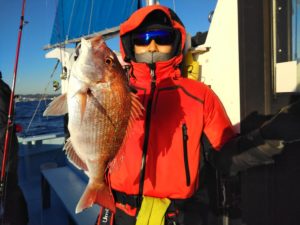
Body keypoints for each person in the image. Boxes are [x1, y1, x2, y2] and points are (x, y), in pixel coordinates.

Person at [96, 5, 300, 225]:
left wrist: (269, 136)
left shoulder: (199, 96)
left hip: (175, 217)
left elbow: (224, 154)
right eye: (143, 37)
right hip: (117, 213)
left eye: (161, 37)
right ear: (130, 43)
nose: (152, 45)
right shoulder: (112, 93)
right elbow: (90, 138)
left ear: (175, 41)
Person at [0, 71, 29, 225]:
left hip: (4, 150)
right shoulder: (4, 88)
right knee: (10, 188)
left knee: (8, 190)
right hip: (8, 147)